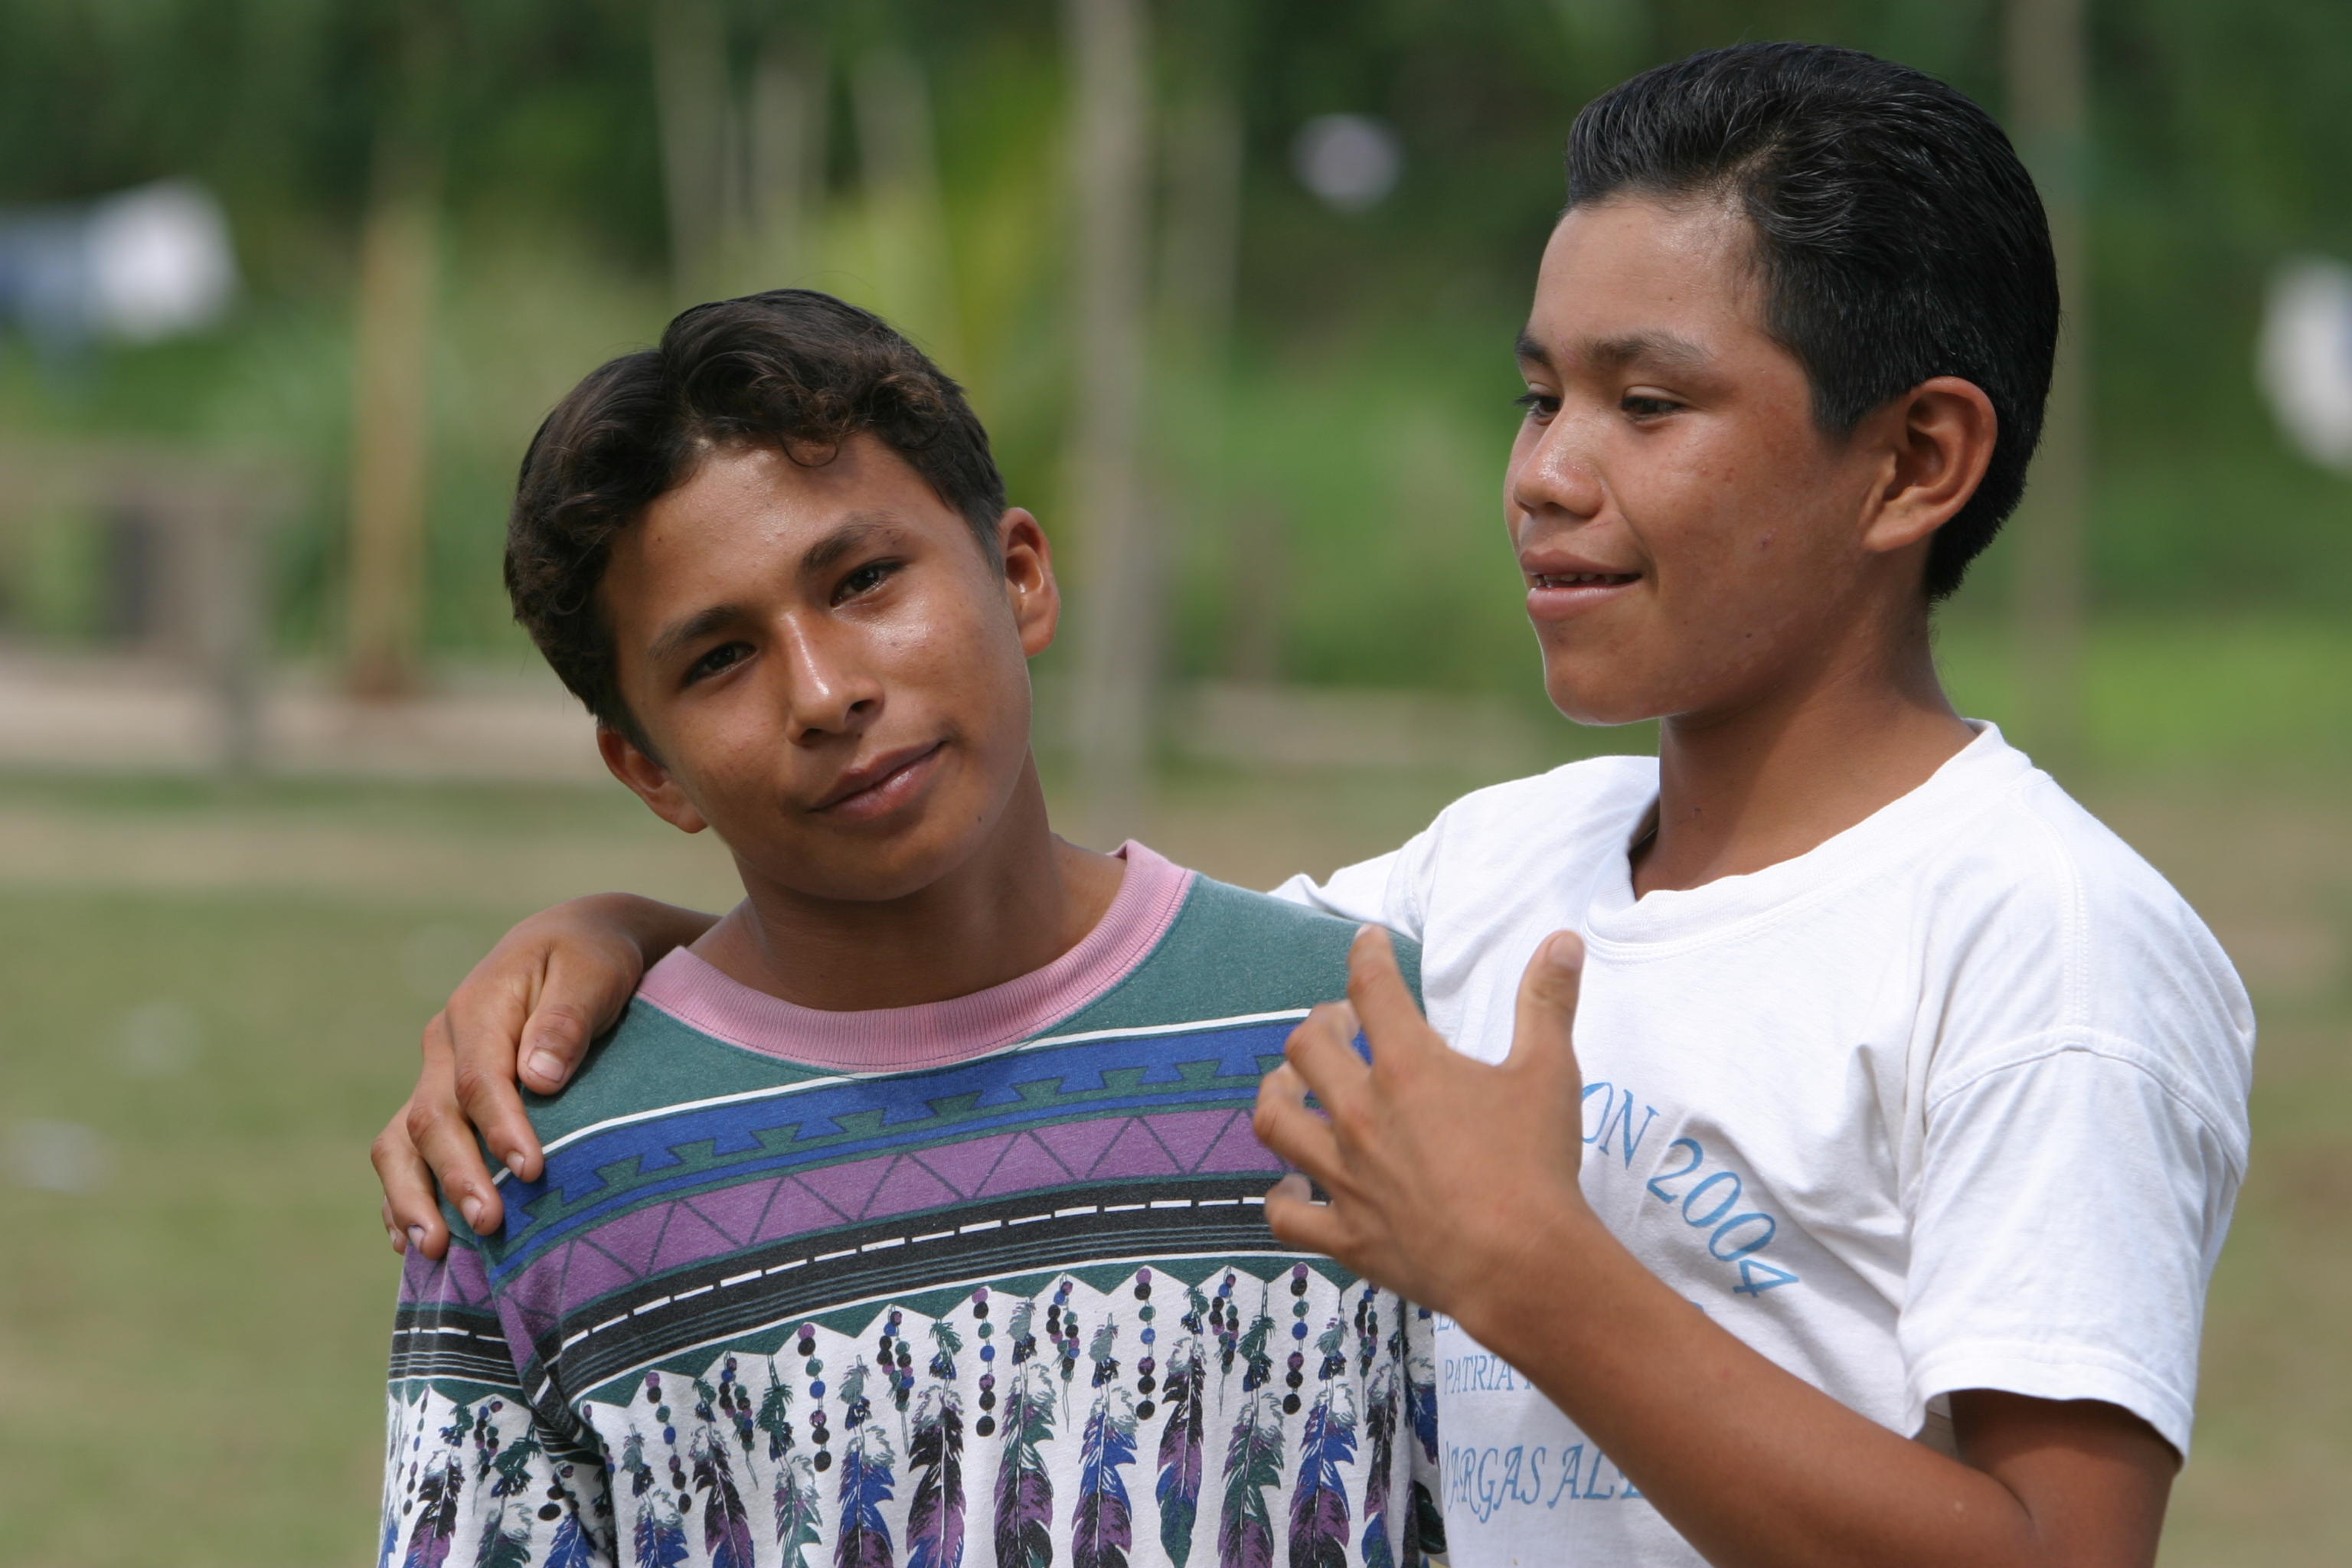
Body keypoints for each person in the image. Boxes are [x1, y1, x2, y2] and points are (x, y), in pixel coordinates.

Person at [377, 44, 2253, 1568]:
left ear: (1916, 457)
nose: (1546, 477)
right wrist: (631, 948)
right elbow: (1052, 966)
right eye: (1538, 399)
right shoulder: (1485, 879)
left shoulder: (2042, 935)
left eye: (1647, 406)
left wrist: (1535, 1274)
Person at [376, 289, 1446, 1568]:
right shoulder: (539, 1185)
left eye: (866, 580)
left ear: (1020, 575)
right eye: (719, 659)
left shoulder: (1366, 1045)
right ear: (649, 769)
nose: (826, 692)